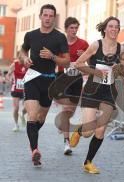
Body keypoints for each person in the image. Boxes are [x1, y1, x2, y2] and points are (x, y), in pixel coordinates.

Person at [69, 16, 124, 174]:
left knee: (100, 130)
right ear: (105, 28)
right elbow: (79, 64)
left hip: (108, 91)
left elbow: (122, 72)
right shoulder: (96, 45)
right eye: (111, 26)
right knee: (88, 132)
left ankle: (88, 162)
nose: (114, 29)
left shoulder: (120, 48)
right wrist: (96, 72)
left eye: (117, 26)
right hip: (92, 90)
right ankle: (80, 132)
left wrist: (119, 68)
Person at [20, 4, 70, 167]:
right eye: (45, 15)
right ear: (40, 16)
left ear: (54, 18)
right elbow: (22, 51)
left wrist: (53, 56)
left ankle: (32, 136)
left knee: (41, 118)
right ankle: (35, 150)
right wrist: (24, 59)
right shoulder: (31, 35)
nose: (48, 18)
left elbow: (67, 61)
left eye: (51, 16)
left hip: (49, 81)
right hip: (32, 78)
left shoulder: (59, 37)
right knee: (32, 116)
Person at [49, 17, 89, 155]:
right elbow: (52, 59)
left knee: (70, 112)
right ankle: (66, 142)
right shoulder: (59, 43)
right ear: (66, 29)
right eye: (71, 28)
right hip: (62, 77)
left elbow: (90, 60)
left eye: (76, 27)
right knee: (66, 110)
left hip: (76, 79)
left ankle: (63, 122)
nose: (74, 30)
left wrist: (84, 56)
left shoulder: (83, 43)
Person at [6, 51, 27, 131]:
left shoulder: (28, 64)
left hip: (26, 89)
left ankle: (22, 114)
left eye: (24, 55)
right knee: (16, 108)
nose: (22, 57)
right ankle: (16, 124)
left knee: (27, 108)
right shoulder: (14, 64)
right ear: (18, 56)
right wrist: (8, 78)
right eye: (21, 56)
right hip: (16, 88)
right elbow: (8, 74)